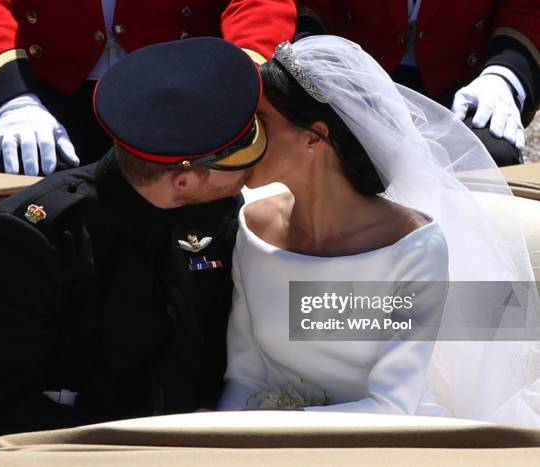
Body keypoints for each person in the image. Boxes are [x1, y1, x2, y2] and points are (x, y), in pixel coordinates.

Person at [219, 36, 540, 425]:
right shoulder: (253, 226)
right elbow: (245, 376)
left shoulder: (414, 248)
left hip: (385, 444)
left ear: (314, 139)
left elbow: (391, 406)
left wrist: (275, 428)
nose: (244, 138)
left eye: (261, 123)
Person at [0, 37, 267, 437]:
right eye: (238, 162)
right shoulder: (34, 239)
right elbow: (0, 408)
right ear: (184, 180)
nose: (252, 171)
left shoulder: (217, 212)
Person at [0, 0, 295, 175]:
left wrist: (239, 79)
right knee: (31, 236)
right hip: (45, 95)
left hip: (184, 87)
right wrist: (12, 99)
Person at [295, 0, 540, 167]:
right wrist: (308, 53)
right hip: (351, 71)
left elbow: (527, 8)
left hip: (464, 81)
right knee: (319, 148)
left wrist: (505, 74)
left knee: (488, 157)